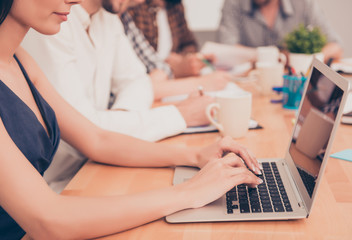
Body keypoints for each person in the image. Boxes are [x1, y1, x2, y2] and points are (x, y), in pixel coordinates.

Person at [0, 0, 264, 238]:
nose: (76, 0)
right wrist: (189, 193)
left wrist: (195, 157)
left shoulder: (19, 59)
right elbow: (48, 220)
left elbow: (97, 139)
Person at [21, 0, 220, 191]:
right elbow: (89, 133)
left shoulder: (107, 18)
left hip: (97, 166)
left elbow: (137, 81)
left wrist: (121, 124)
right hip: (61, 183)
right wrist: (179, 116)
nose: (141, 1)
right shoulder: (50, 20)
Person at [120, 0, 230, 100]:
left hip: (166, 84)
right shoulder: (129, 7)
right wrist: (174, 69)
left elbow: (189, 44)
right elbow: (135, 78)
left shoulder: (175, 5)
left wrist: (185, 60)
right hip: (152, 87)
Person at [217, 0, 343, 62]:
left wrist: (305, 61)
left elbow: (335, 46)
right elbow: (226, 49)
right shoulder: (234, 3)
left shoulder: (303, 3)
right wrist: (276, 56)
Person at [127, 0, 214, 78]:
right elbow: (134, 60)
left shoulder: (175, 6)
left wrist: (183, 60)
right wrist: (172, 67)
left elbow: (189, 44)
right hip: (153, 79)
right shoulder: (134, 5)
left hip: (169, 78)